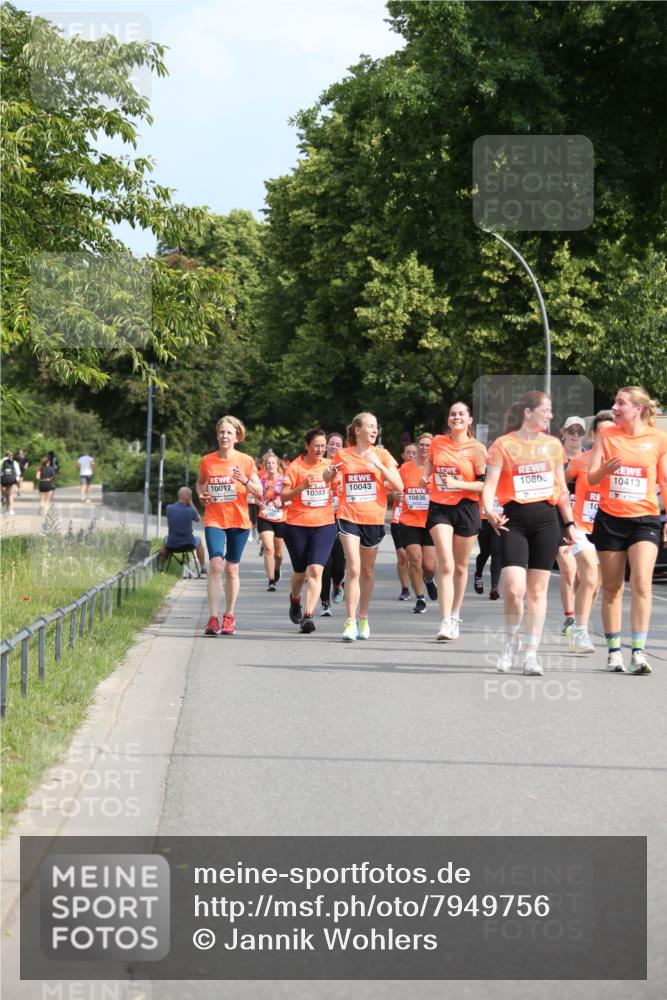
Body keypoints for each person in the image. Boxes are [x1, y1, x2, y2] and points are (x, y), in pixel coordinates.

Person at [482, 390, 575, 676]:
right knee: (513, 588)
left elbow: (561, 490)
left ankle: (531, 653)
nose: (550, 415)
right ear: (528, 412)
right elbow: (489, 485)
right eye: (545, 410)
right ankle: (511, 642)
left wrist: (569, 523)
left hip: (547, 521)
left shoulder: (553, 446)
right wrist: (490, 511)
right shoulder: (503, 445)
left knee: (537, 591)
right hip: (515, 519)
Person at [587, 386, 667, 675]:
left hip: (645, 518)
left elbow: (665, 480)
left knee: (642, 581)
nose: (615, 407)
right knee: (612, 588)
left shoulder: (658, 439)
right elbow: (592, 478)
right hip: (611, 519)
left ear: (638, 409)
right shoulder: (605, 436)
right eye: (615, 402)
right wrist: (605, 470)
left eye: (620, 403)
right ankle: (613, 652)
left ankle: (638, 652)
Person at [421, 402, 487, 640]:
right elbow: (430, 459)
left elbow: (484, 485)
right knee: (446, 564)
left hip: (467, 508)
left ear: (469, 420)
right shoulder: (438, 441)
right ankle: (444, 621)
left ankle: (455, 615)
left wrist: (458, 484)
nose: (456, 417)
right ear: (448, 420)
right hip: (439, 506)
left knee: (460, 566)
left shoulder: (477, 449)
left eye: (461, 414)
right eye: (452, 414)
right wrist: (425, 475)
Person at [336, 412, 403, 641]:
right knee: (353, 568)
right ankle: (350, 621)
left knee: (367, 570)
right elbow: (331, 479)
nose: (374, 430)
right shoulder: (342, 455)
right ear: (357, 430)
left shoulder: (382, 454)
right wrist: (327, 474)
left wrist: (379, 466)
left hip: (373, 518)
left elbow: (399, 485)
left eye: (376, 426)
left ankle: (363, 615)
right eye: (370, 426)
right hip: (348, 515)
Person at [196, 415, 262, 636]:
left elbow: (260, 492)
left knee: (232, 570)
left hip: (238, 521)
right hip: (214, 519)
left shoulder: (245, 461)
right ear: (217, 435)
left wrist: (244, 479)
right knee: (216, 565)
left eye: (229, 433)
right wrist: (201, 495)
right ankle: (213, 618)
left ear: (237, 436)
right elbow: (200, 483)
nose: (224, 436)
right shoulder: (208, 461)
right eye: (221, 432)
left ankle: (229, 615)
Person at [564, 411, 615, 654]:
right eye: (601, 431)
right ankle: (581, 630)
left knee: (595, 586)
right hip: (580, 526)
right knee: (590, 577)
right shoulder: (580, 461)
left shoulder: (622, 461)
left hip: (608, 529)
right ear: (595, 434)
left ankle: (577, 627)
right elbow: (559, 487)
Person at [280, 428, 339, 633]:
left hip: (324, 524)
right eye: (316, 446)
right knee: (299, 573)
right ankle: (295, 599)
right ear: (307, 446)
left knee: (315, 570)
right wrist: (302, 486)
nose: (321, 450)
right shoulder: (295, 467)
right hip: (297, 526)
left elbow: (337, 488)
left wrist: (334, 482)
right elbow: (283, 497)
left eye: (323, 446)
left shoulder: (329, 465)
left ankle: (308, 615)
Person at [399, 433, 438, 613]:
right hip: (409, 521)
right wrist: (395, 494)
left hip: (431, 522)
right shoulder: (405, 469)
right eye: (421, 445)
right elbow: (392, 489)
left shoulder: (437, 469)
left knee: (429, 567)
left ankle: (429, 580)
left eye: (427, 445)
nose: (424, 448)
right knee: (415, 560)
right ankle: (420, 598)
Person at [555, 417, 586, 634]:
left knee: (583, 576)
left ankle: (575, 609)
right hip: (558, 520)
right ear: (563, 432)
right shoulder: (555, 457)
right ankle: (570, 618)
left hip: (585, 522)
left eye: (580, 431)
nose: (575, 435)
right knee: (569, 569)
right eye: (572, 430)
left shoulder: (591, 458)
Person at [320, 432, 346, 615]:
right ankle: (325, 602)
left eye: (338, 444)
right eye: (331, 443)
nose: (334, 447)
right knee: (324, 564)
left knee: (338, 564)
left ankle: (338, 583)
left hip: (341, 517)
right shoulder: (318, 465)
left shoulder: (346, 467)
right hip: (320, 518)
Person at [389, 442, 417, 601]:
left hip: (419, 520)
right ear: (403, 455)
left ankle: (421, 582)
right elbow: (385, 493)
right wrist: (393, 495)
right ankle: (405, 588)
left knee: (417, 558)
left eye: (414, 453)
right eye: (408, 453)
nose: (411, 455)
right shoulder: (396, 473)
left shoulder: (424, 472)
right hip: (398, 519)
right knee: (402, 556)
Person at [159, 486, 207, 573]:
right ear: (189, 497)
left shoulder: (169, 508)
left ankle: (161, 567)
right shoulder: (191, 510)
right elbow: (198, 519)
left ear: (179, 496)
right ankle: (203, 568)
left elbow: (176, 509)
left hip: (171, 544)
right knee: (199, 540)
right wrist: (191, 502)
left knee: (165, 539)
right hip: (188, 544)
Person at [257, 452, 286, 591]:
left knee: (279, 554)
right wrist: (259, 503)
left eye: (273, 463)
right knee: (269, 549)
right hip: (264, 517)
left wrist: (283, 502)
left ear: (278, 465)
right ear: (265, 466)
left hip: (281, 518)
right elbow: (255, 496)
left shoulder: (284, 480)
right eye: (268, 463)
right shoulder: (261, 480)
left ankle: (277, 569)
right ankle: (271, 581)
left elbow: (293, 498)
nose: (270, 465)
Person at [474, 497, 502, 600]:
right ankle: (478, 574)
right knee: (485, 552)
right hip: (483, 517)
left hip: (500, 517)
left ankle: (494, 587)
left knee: (496, 551)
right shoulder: (484, 480)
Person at [1, 451, 21, 516]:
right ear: (12, 456)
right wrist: (17, 481)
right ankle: (10, 510)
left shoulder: (1, 461)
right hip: (11, 480)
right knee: (11, 495)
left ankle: (5, 507)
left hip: (3, 480)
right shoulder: (14, 462)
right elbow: (18, 473)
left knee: (5, 493)